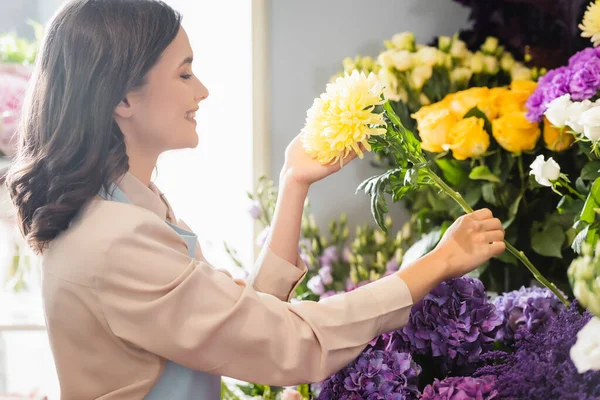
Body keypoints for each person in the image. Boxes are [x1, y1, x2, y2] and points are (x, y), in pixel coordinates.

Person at [5, 0, 506, 399]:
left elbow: (240, 324)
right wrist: (435, 264)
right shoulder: (114, 238)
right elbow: (285, 344)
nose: (201, 91)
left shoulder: (126, 209)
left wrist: (293, 182)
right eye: (184, 74)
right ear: (121, 98)